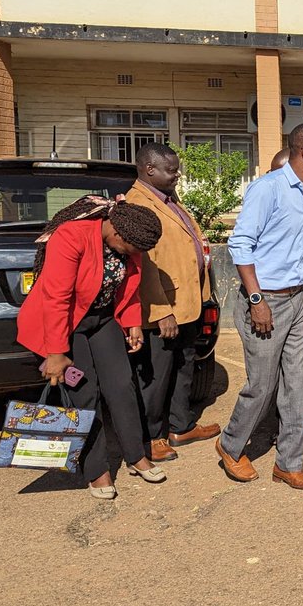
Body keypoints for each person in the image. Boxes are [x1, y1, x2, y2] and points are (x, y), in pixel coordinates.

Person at [16, 197, 165, 500]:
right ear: (117, 235)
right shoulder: (72, 236)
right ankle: (96, 469)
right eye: (133, 250)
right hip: (65, 324)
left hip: (102, 318)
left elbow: (129, 285)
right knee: (86, 392)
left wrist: (132, 322)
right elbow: (57, 298)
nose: (136, 255)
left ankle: (136, 455)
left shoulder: (130, 237)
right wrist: (56, 352)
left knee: (122, 385)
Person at [217, 124, 303, 490]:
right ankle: (231, 444)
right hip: (265, 299)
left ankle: (289, 463)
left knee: (298, 384)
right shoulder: (267, 189)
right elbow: (240, 246)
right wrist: (256, 301)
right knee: (263, 385)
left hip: (300, 297)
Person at [126, 144, 221, 464]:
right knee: (156, 375)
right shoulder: (138, 203)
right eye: (171, 170)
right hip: (165, 307)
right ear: (149, 169)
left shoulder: (167, 198)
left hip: (188, 302)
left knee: (184, 366)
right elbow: (145, 263)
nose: (177, 174)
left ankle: (181, 426)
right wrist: (159, 309)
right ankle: (152, 437)